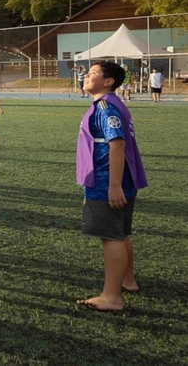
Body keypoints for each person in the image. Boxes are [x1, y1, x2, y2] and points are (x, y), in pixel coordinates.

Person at [76, 61, 147, 311]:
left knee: (111, 236)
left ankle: (111, 297)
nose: (86, 76)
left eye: (93, 73)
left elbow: (117, 145)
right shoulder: (111, 104)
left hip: (107, 182)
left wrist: (113, 186)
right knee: (122, 232)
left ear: (108, 82)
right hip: (119, 180)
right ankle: (127, 280)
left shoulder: (105, 107)